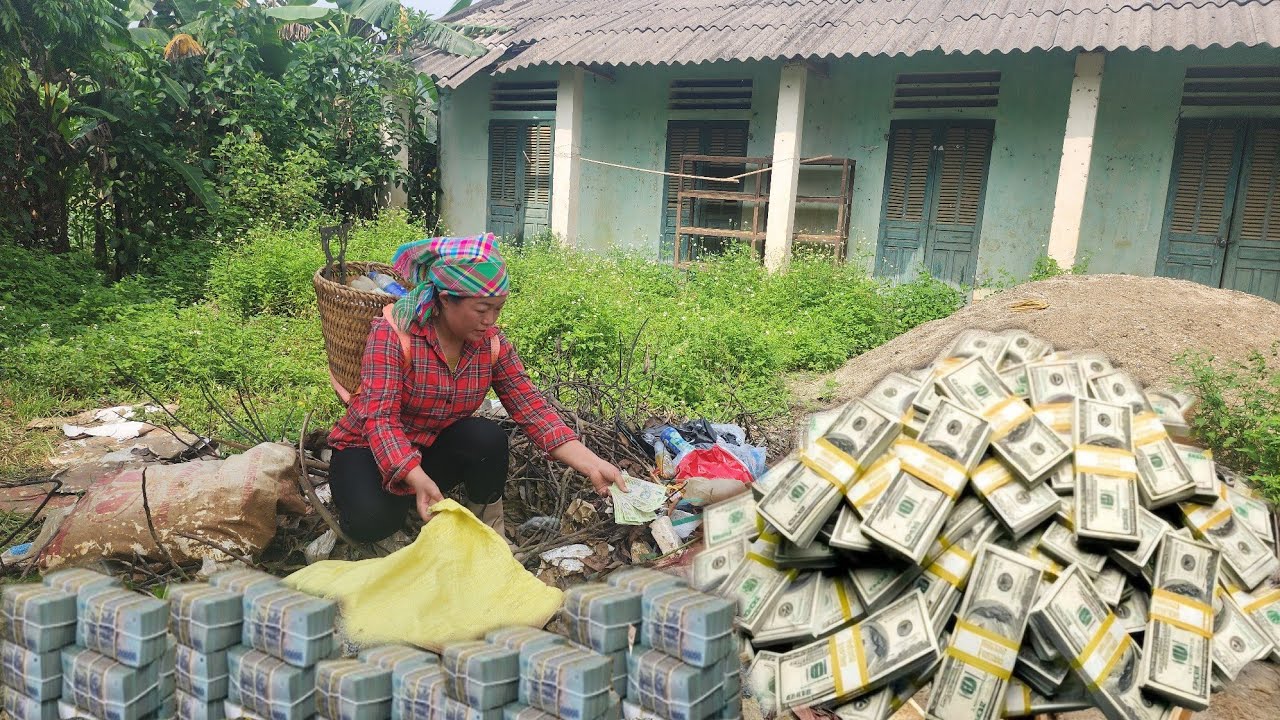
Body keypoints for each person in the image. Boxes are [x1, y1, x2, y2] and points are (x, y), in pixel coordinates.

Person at [327, 233, 627, 544]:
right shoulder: (394, 336)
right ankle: (396, 500)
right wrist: (415, 476)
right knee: (371, 522)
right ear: (445, 299)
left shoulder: (492, 345)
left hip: (428, 447)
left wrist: (592, 465)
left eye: (498, 309)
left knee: (487, 438)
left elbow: (533, 409)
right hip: (367, 447)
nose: (490, 320)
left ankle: (487, 529)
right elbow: (381, 420)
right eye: (482, 309)